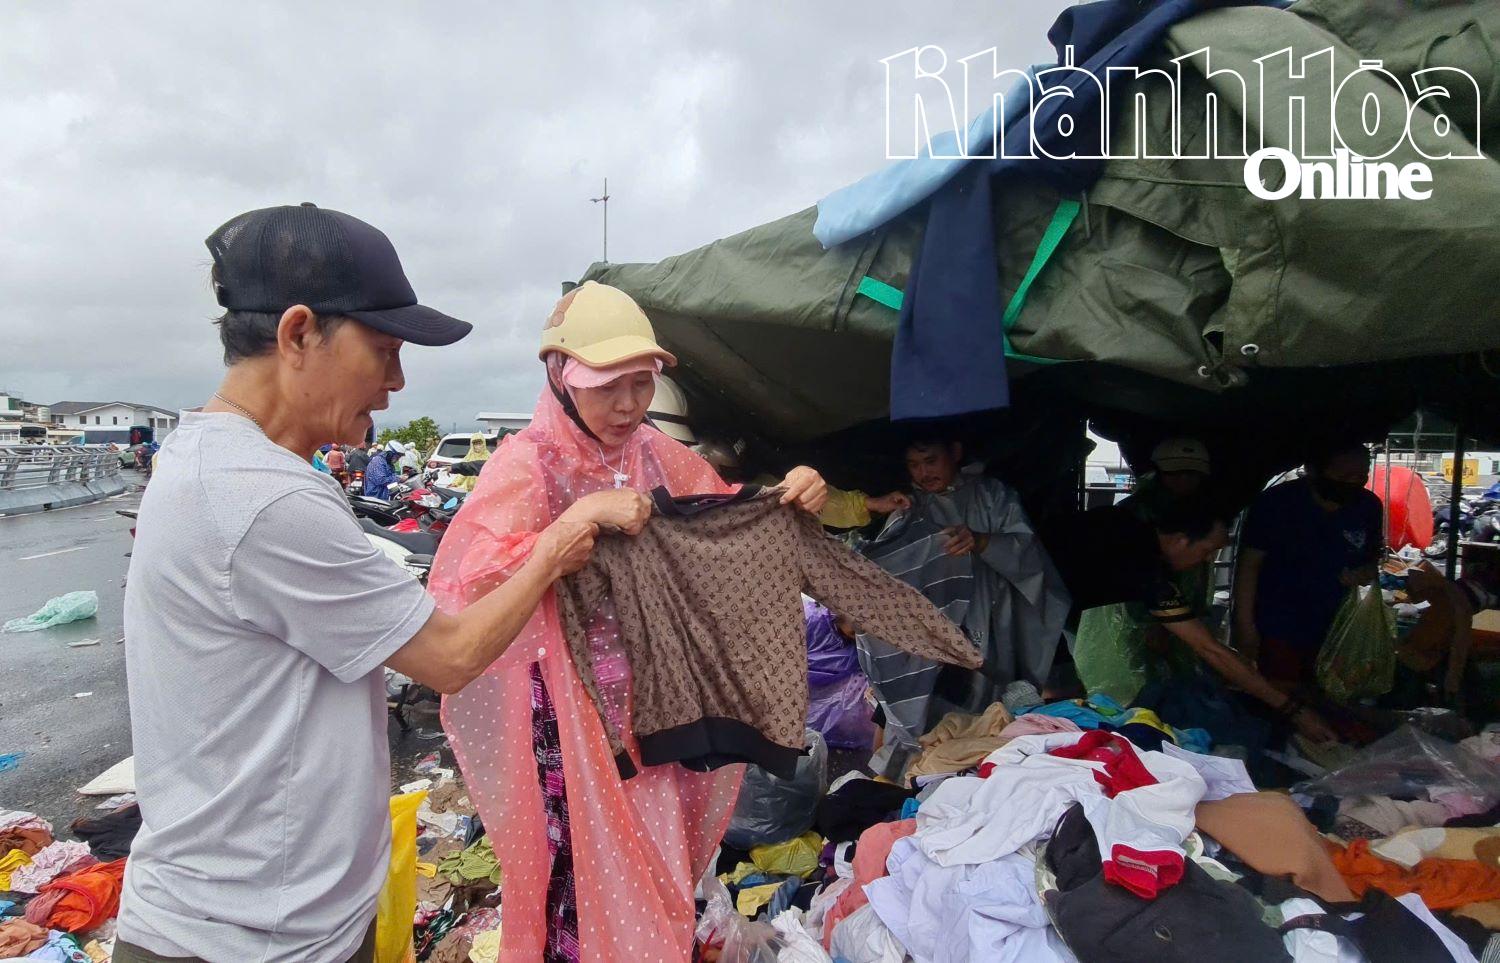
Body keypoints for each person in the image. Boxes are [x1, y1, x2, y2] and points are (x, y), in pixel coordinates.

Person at [114, 204, 600, 963]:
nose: (397, 382)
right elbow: (449, 654)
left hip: (258, 922)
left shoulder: (206, 459)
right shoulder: (263, 494)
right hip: (247, 942)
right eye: (383, 349)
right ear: (298, 332)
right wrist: (558, 545)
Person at [428, 280, 828, 960]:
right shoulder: (530, 463)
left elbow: (725, 524)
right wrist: (569, 529)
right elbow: (467, 582)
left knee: (659, 870)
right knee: (579, 884)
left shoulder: (654, 455)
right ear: (560, 376)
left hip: (655, 718)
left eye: (640, 384)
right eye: (605, 384)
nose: (627, 404)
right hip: (570, 720)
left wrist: (793, 495)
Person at [1045, 495, 1339, 742]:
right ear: (1180, 540)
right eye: (1209, 550)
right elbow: (1209, 648)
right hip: (1019, 599)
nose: (1208, 560)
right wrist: (1293, 711)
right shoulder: (1144, 567)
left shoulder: (1121, 524)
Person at [857, 434, 1070, 763]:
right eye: (914, 465)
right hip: (928, 634)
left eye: (931, 461)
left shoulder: (992, 496)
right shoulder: (907, 507)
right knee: (923, 721)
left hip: (990, 620)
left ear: (955, 453)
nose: (923, 473)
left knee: (984, 714)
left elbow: (1028, 554)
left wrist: (983, 542)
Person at [1234, 442, 1384, 696]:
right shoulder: (1276, 504)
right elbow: (1249, 565)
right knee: (1280, 696)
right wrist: (1244, 624)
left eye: (1361, 476)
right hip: (1278, 625)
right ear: (1313, 470)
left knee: (1330, 696)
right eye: (1343, 476)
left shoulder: (1368, 507)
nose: (1353, 483)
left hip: (1338, 627)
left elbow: (1371, 561)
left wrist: (1363, 573)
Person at [1073, 438, 1214, 704]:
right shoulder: (1133, 517)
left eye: (1192, 474)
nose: (1185, 480)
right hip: (1130, 621)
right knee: (1123, 694)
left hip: (1173, 619)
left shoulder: (1197, 517)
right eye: (1176, 473)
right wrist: (1156, 623)